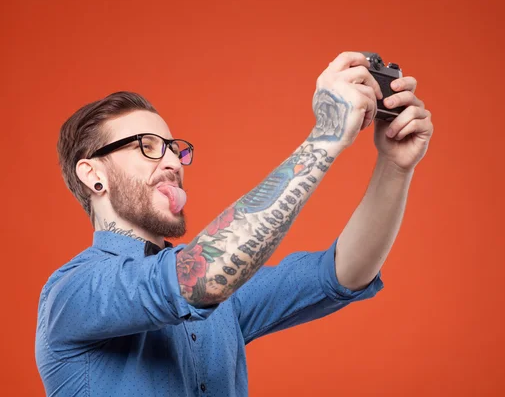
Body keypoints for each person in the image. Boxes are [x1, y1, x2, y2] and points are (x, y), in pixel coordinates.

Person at [35, 51, 433, 396]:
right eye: (148, 146)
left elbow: (343, 273)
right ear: (92, 175)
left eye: (175, 149)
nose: (173, 162)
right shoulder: (72, 293)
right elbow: (202, 276)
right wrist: (327, 133)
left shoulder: (224, 302)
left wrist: (395, 167)